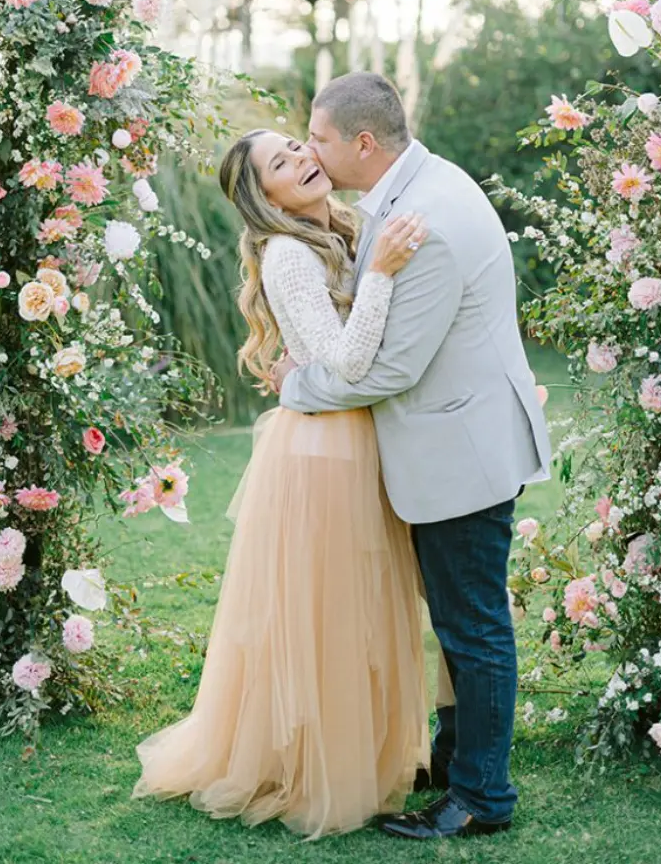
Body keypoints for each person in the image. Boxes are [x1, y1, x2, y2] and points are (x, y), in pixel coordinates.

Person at [131, 126, 430, 838]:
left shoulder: (344, 230)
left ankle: (369, 748)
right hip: (325, 454)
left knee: (362, 607)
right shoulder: (290, 255)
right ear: (262, 196)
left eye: (297, 145)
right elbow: (345, 362)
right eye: (278, 162)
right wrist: (382, 272)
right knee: (326, 614)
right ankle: (312, 764)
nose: (300, 158)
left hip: (356, 440)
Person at [275, 72, 552, 841]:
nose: (312, 150)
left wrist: (297, 388)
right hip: (464, 434)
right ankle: (456, 761)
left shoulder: (425, 218)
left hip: (461, 451)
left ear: (363, 143)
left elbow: (393, 369)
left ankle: (482, 798)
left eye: (320, 138)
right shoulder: (416, 185)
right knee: (464, 621)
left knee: (473, 628)